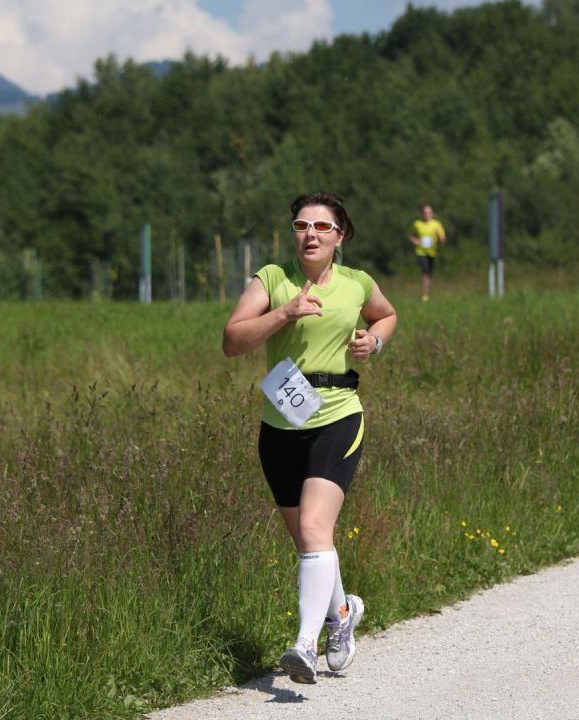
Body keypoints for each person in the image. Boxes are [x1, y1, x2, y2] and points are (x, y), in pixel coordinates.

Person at [222, 192, 397, 684]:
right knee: (308, 539)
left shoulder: (357, 283)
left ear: (340, 237)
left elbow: (386, 314)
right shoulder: (272, 280)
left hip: (339, 414)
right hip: (280, 424)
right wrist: (284, 313)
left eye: (322, 227)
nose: (310, 234)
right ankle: (342, 616)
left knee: (317, 529)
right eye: (301, 225)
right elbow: (231, 341)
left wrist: (375, 341)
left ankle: (304, 644)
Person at [408, 204, 446, 301]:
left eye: (428, 212)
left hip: (432, 252)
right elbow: (410, 235)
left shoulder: (437, 224)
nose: (427, 214)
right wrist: (415, 241)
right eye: (425, 212)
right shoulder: (417, 224)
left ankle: (427, 292)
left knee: (429, 273)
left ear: (432, 214)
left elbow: (442, 239)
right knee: (425, 271)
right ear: (422, 214)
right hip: (421, 251)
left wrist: (438, 236)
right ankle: (424, 295)